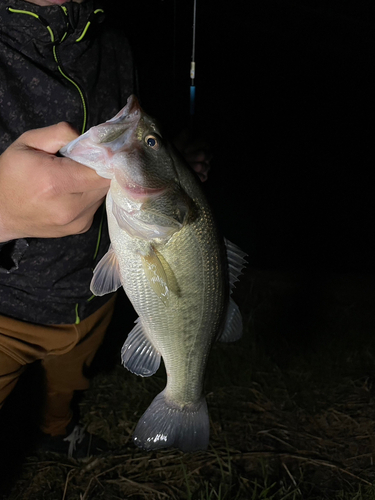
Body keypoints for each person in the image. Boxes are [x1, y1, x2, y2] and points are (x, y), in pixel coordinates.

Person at [0, 0, 211, 459]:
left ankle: (56, 432)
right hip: (7, 310)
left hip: (94, 296)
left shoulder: (111, 40)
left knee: (65, 386)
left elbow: (130, 138)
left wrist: (170, 152)